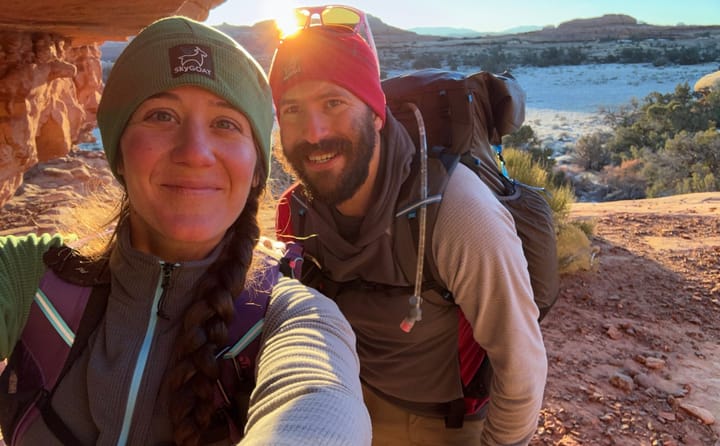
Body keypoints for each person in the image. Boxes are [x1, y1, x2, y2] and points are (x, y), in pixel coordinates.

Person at [0, 16, 371, 446]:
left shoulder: (292, 318)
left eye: (226, 123)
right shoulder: (30, 278)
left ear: (255, 169)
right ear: (119, 152)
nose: (195, 152)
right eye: (162, 115)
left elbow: (320, 402)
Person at [268, 19, 547, 446]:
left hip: (447, 426)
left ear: (376, 111)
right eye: (292, 109)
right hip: (347, 403)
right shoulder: (296, 210)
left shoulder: (457, 213)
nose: (314, 132)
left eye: (333, 102)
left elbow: (521, 365)